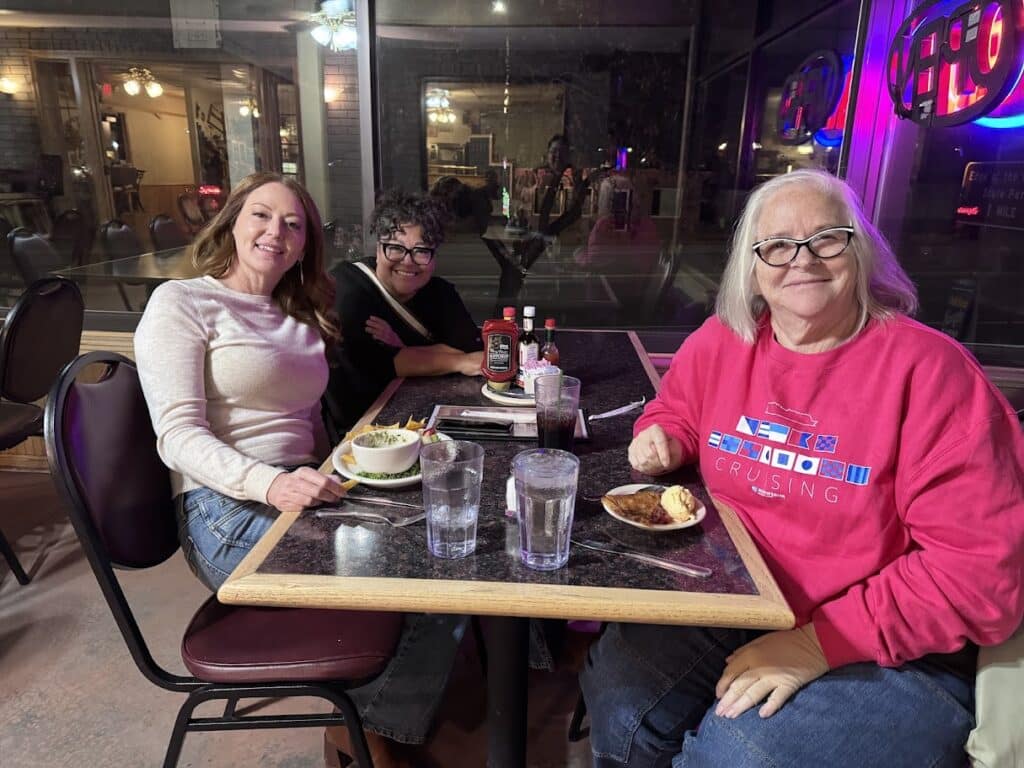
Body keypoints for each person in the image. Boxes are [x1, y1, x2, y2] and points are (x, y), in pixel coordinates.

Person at [580, 169, 1024, 768]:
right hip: (742, 600)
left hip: (897, 649)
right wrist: (666, 436)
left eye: (827, 238)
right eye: (778, 245)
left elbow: (980, 575)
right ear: (753, 266)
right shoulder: (726, 340)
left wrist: (819, 643)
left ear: (860, 249)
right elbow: (678, 407)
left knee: (735, 755)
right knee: (619, 704)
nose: (803, 260)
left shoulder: (933, 373)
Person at [135, 171, 345, 590]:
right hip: (223, 505)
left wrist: (335, 476)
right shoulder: (182, 301)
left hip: (299, 487)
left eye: (292, 224)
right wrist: (272, 485)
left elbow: (309, 418)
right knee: (384, 571)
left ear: (304, 246)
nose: (275, 231)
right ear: (232, 224)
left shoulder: (302, 315)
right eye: (261, 215)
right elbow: (177, 436)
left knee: (420, 543)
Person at [323, 189, 483, 434]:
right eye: (395, 248)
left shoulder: (440, 293)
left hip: (429, 423)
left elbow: (475, 354)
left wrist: (405, 351)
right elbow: (376, 365)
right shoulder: (347, 289)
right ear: (378, 248)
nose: (408, 261)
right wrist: (453, 360)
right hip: (363, 430)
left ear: (434, 257)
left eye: (421, 251)